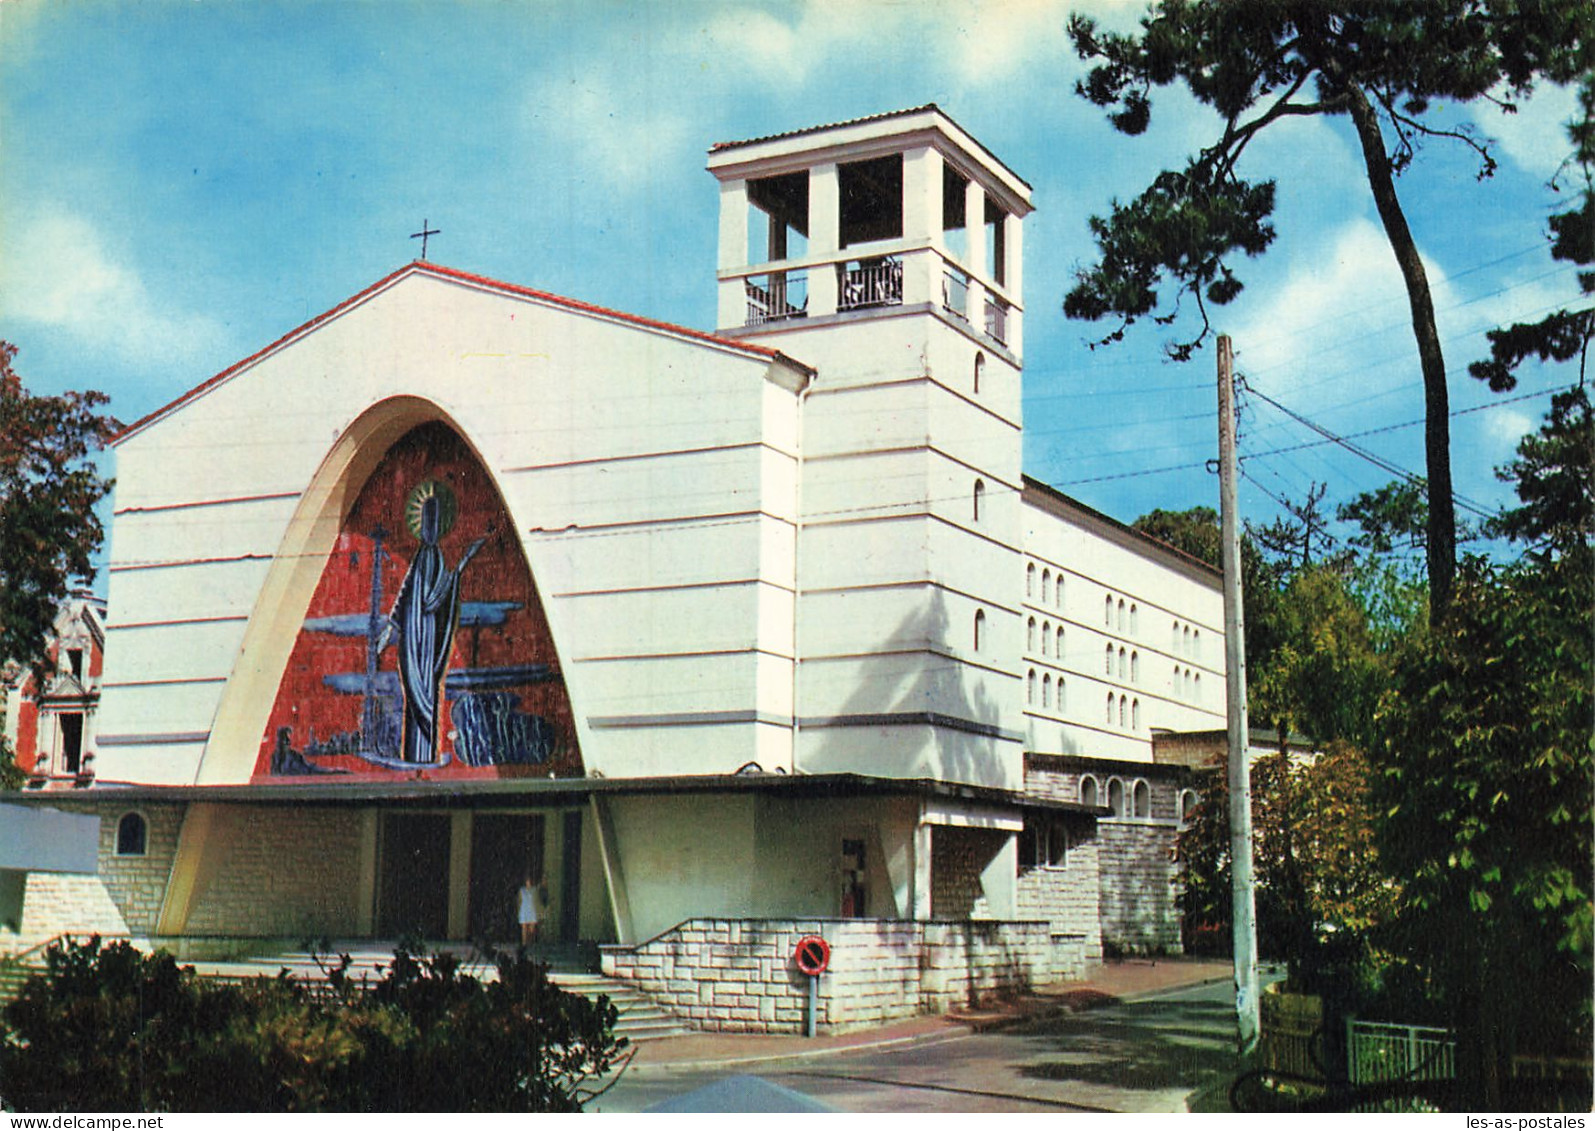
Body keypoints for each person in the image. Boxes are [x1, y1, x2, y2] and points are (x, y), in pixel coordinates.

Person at [517, 875, 541, 946]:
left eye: (529, 880)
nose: (528, 882)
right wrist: (518, 911)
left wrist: (538, 911)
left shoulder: (534, 889)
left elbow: (536, 900)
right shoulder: (522, 890)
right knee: (524, 928)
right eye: (527, 880)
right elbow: (519, 901)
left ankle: (530, 942)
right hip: (524, 909)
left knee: (531, 929)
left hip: (531, 909)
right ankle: (524, 943)